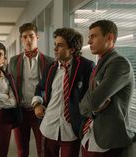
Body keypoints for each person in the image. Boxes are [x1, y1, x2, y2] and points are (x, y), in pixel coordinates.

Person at [31, 28, 94, 157]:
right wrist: (37, 104)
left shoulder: (86, 67)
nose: (55, 49)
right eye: (55, 44)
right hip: (49, 126)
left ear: (72, 49)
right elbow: (40, 87)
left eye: (60, 45)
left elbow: (91, 96)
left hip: (71, 130)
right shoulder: (50, 67)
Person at [79, 20, 135, 157]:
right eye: (89, 37)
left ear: (109, 37)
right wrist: (90, 106)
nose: (89, 42)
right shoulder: (101, 64)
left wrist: (90, 104)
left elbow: (92, 101)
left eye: (93, 36)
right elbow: (84, 106)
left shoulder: (119, 63)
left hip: (107, 141)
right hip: (90, 136)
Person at [8, 22, 53, 157]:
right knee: (22, 150)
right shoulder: (14, 61)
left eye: (31, 36)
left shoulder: (49, 61)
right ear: (21, 39)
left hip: (41, 111)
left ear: (37, 38)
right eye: (25, 37)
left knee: (43, 149)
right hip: (21, 111)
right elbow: (10, 85)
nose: (28, 40)